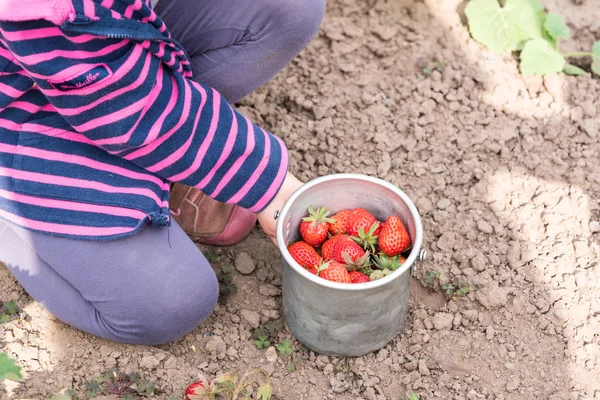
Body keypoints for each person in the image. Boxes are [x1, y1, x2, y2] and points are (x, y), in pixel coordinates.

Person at [0, 0, 324, 345]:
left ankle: (160, 159)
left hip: (109, 53)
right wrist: (266, 184)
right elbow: (129, 108)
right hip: (22, 108)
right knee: (171, 302)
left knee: (290, 10)